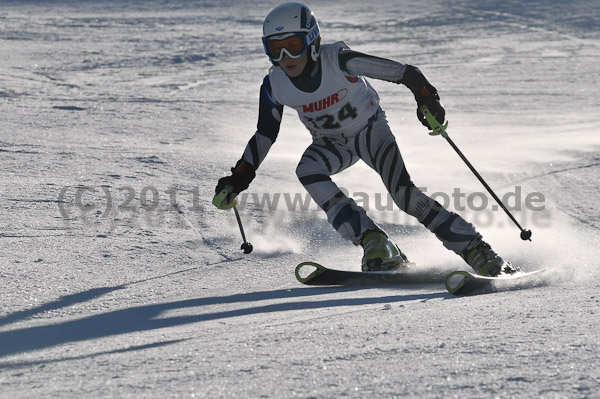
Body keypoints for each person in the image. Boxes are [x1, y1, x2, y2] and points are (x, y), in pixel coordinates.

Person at [213, 2, 516, 276]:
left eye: (293, 45)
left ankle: (478, 250)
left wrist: (427, 100)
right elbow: (266, 133)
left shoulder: (339, 61)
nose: (285, 57)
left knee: (404, 196)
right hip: (332, 144)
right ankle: (375, 242)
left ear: (312, 41)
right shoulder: (275, 85)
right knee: (307, 169)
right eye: (274, 48)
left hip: (371, 131)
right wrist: (239, 178)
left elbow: (406, 73)